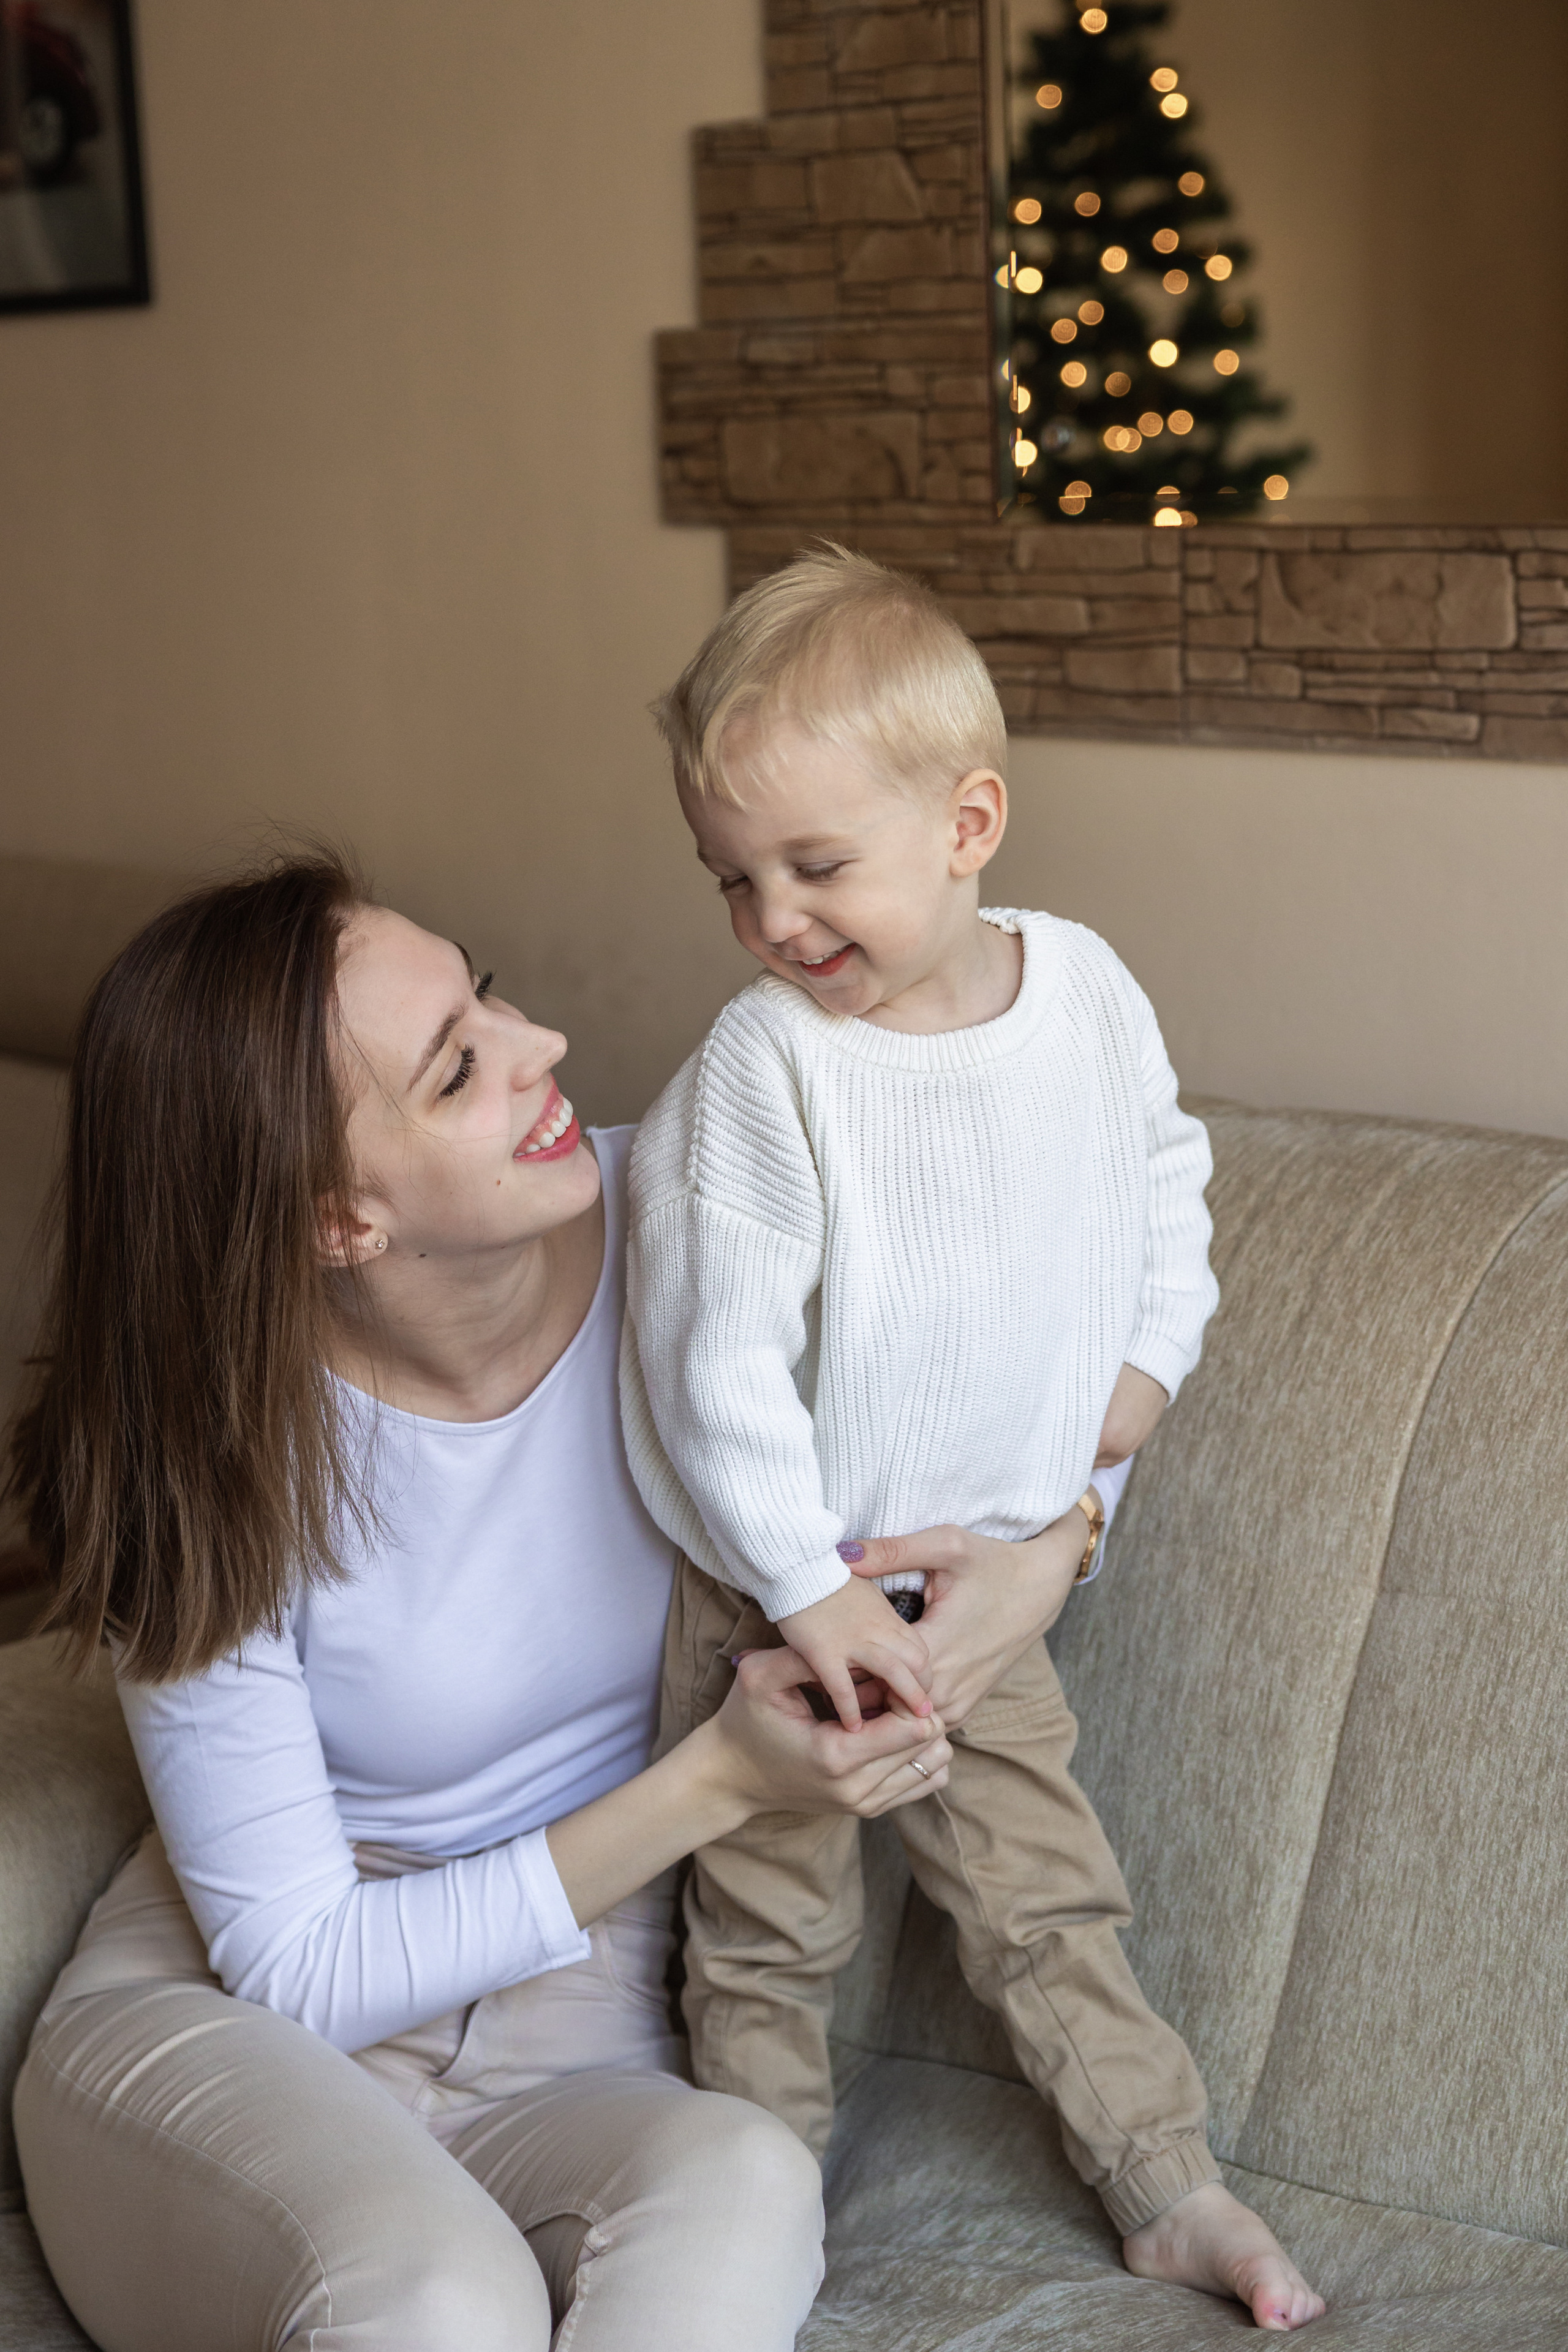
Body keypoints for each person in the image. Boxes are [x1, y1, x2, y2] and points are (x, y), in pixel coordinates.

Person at [4, 850, 960, 2352]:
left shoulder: (710, 1233)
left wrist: (1058, 1541)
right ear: (340, 1222)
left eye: (488, 997)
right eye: (459, 1070)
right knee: (439, 2305)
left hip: (584, 2045)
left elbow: (1023, 1377)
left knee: (742, 2184)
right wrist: (720, 1776)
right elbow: (300, 1968)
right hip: (240, 2042)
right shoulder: (200, 1454)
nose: (544, 1051)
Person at [620, 546, 1326, 2332]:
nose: (774, 918)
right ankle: (749, 2221)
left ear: (968, 820)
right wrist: (801, 1592)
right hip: (785, 1591)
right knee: (769, 1932)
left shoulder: (1085, 992)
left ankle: (1165, 2183)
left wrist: (1129, 1406)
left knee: (1046, 1901)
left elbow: (1167, 1189)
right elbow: (713, 1372)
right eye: (733, 879)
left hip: (982, 1579)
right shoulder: (762, 1068)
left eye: (817, 865)